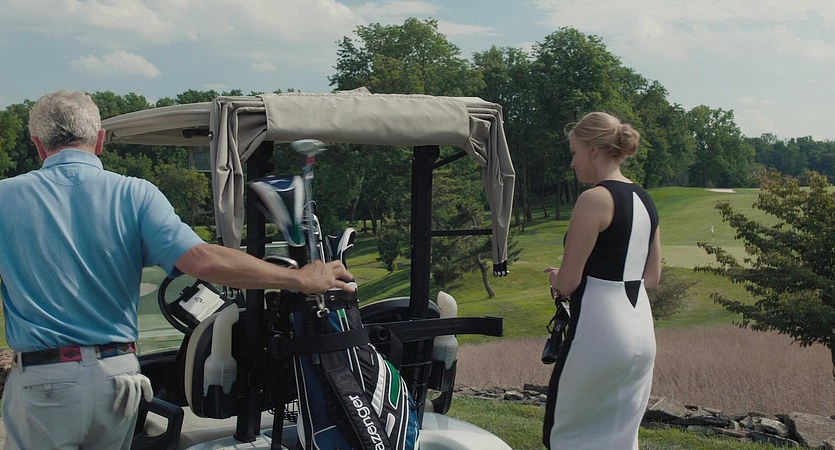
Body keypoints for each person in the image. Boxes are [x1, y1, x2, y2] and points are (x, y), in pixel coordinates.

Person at [0, 90, 355, 450]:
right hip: (117, 378)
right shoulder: (135, 194)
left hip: (44, 382)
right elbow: (201, 260)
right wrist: (298, 277)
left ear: (38, 145)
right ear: (100, 140)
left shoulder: (5, 197)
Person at [542, 112, 661, 449]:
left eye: (574, 151)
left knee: (567, 434)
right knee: (620, 437)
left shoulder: (594, 199)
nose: (572, 162)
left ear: (593, 150)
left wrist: (556, 279)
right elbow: (652, 277)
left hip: (599, 330)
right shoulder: (645, 199)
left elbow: (568, 282)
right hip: (641, 329)